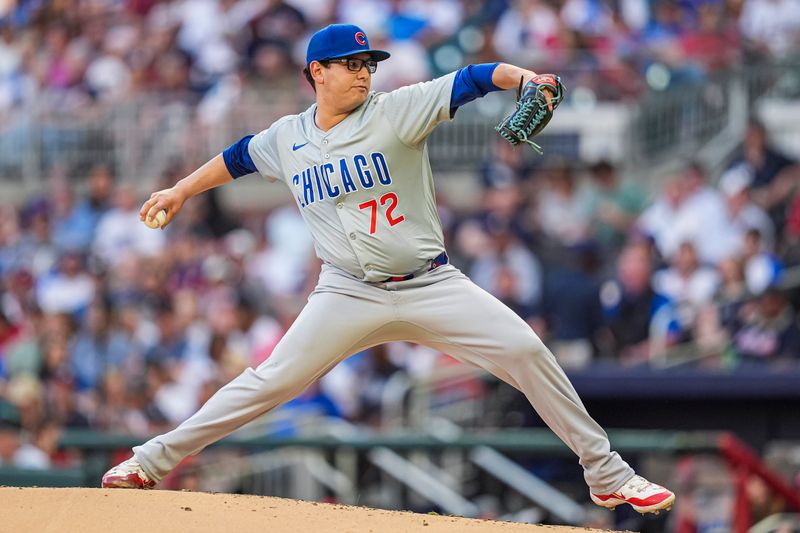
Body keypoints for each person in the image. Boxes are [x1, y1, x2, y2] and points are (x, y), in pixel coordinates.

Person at [101, 23, 675, 515]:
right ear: (315, 73)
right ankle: (149, 461)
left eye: (368, 63)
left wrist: (528, 79)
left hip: (430, 283)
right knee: (269, 380)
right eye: (349, 64)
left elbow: (473, 78)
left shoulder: (396, 110)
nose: (363, 73)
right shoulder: (288, 137)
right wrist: (180, 189)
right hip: (346, 292)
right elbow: (238, 156)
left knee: (525, 350)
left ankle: (607, 475)